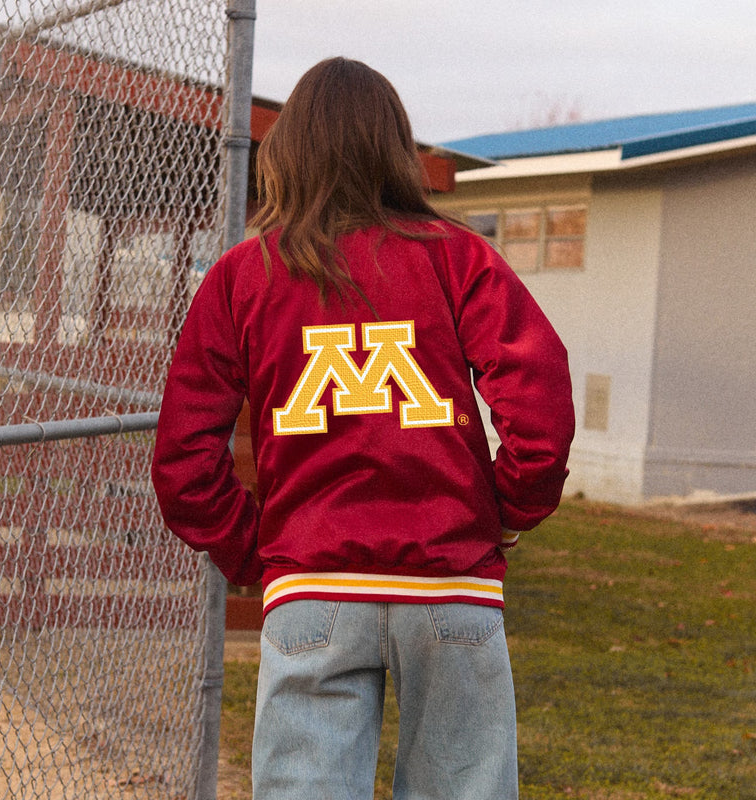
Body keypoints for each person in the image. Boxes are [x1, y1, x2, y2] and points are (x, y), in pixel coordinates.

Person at [151, 57, 574, 800]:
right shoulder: (461, 258)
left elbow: (184, 459)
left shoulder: (243, 276)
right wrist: (505, 510)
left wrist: (255, 548)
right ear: (396, 149)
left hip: (314, 583)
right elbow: (539, 405)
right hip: (451, 585)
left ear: (286, 154)